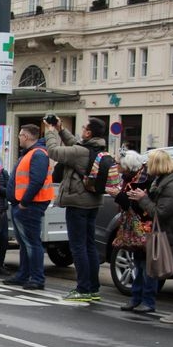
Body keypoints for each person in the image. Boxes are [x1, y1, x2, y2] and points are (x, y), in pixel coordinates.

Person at [128, 149, 173, 324]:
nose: (146, 166)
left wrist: (143, 199)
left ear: (157, 165)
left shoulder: (172, 184)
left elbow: (161, 212)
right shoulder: (168, 180)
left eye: (149, 163)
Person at [44, 117, 107, 301]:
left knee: (78, 247)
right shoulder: (98, 148)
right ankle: (93, 288)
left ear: (89, 133)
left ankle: (83, 289)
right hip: (92, 202)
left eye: (84, 128)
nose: (82, 130)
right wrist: (61, 129)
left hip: (77, 203)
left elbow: (54, 151)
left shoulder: (80, 152)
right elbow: (76, 144)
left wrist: (50, 131)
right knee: (89, 245)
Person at [4, 124, 54, 290]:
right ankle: (24, 274)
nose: (19, 138)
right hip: (25, 204)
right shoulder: (31, 153)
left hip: (30, 205)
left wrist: (24, 203)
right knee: (25, 243)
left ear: (25, 136)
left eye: (20, 135)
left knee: (32, 243)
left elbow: (37, 181)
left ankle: (37, 278)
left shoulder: (37, 154)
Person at [112, 150, 157, 313]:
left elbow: (137, 206)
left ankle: (147, 300)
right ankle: (136, 298)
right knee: (138, 264)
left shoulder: (144, 180)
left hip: (145, 227)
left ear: (128, 166)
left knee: (146, 266)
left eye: (119, 163)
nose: (116, 166)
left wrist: (119, 195)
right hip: (135, 228)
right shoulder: (131, 178)